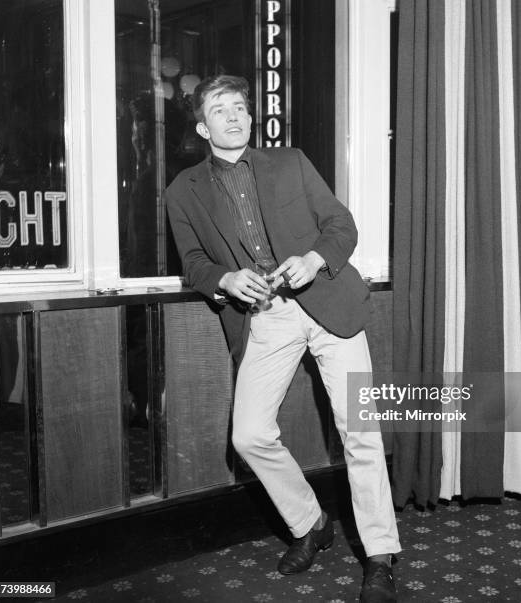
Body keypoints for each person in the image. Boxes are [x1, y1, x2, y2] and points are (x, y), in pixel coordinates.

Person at [165, 74, 400, 602]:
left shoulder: (291, 162)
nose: (235, 115)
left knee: (360, 434)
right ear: (203, 126)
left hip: (330, 305)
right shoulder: (183, 191)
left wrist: (314, 258)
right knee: (248, 435)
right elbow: (194, 264)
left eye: (241, 107)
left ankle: (381, 556)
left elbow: (341, 225)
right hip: (264, 317)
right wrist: (225, 279)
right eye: (220, 109)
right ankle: (311, 521)